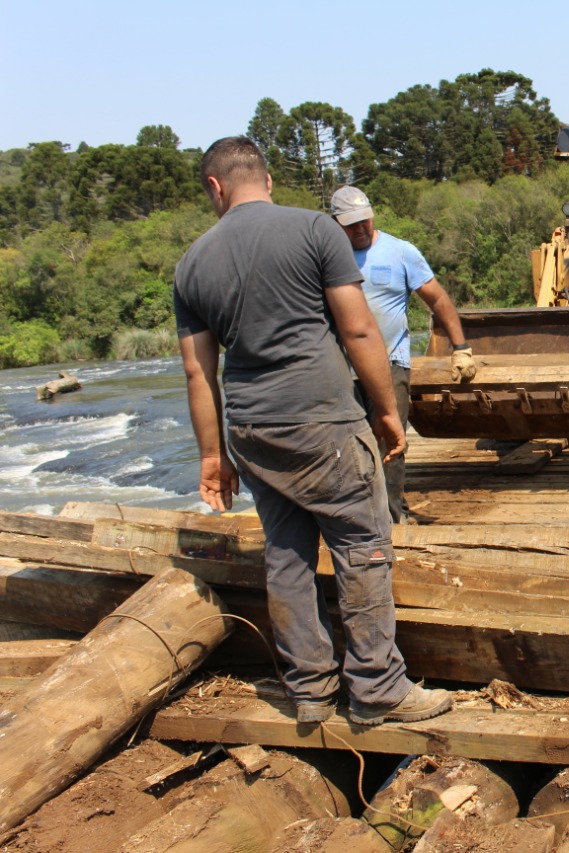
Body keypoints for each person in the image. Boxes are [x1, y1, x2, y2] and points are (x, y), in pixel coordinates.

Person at [173, 137, 452, 726]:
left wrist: (210, 457)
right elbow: (357, 333)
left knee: (287, 555)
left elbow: (199, 371)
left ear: (215, 188)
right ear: (267, 182)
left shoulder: (193, 262)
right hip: (322, 418)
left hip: (251, 429)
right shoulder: (314, 231)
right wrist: (384, 410)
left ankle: (311, 690)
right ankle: (378, 689)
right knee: (362, 545)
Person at [329, 185, 475, 524]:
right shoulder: (327, 256)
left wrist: (461, 347)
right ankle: (355, 515)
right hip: (341, 366)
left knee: (390, 438)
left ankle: (393, 514)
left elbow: (438, 300)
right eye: (351, 224)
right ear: (336, 224)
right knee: (347, 442)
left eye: (365, 220)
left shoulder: (400, 252)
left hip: (389, 363)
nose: (361, 228)